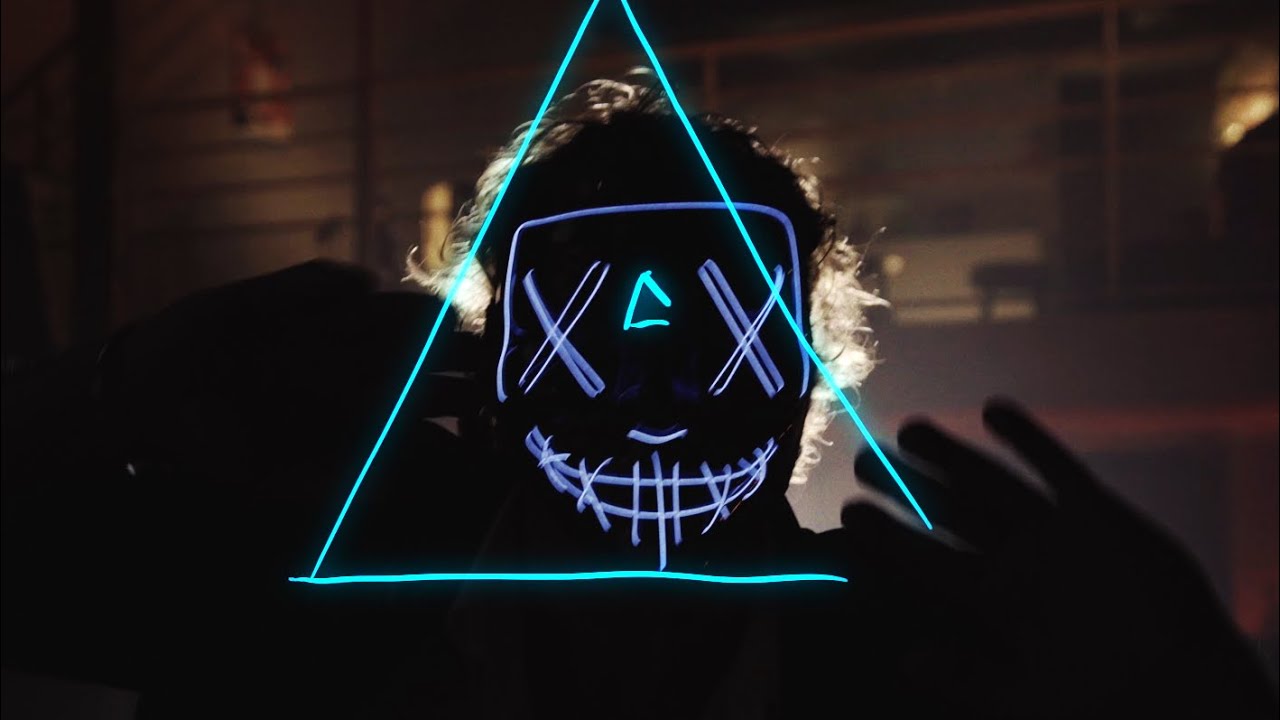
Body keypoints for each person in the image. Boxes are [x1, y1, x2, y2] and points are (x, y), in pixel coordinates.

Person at [2, 79, 1275, 719]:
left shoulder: (945, 666)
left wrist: (1199, 705)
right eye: (589, 321)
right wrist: (119, 387)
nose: (654, 396)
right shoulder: (285, 609)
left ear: (802, 366)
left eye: (717, 322)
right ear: (493, 366)